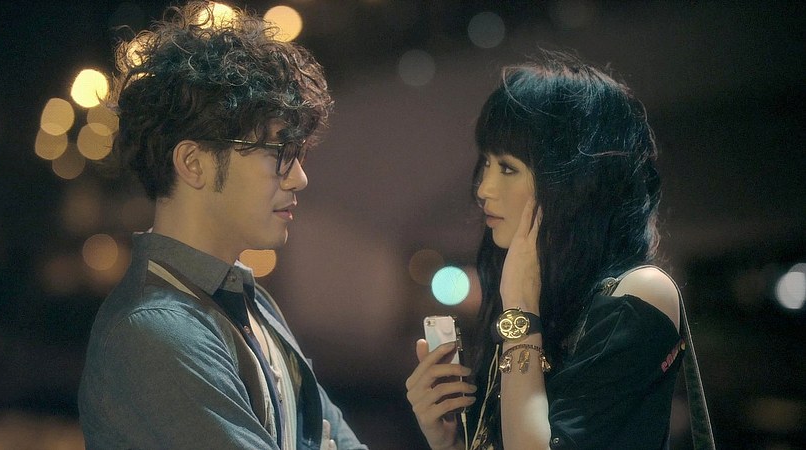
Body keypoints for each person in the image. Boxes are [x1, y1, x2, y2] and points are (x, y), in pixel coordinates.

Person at [78, 2, 366, 449]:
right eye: (278, 153)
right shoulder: (155, 330)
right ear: (194, 163)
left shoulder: (250, 301)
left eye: (299, 154)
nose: (299, 178)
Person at [405, 52, 686, 449]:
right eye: (486, 164)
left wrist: (520, 312)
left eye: (507, 168)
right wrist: (449, 443)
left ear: (573, 183)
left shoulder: (640, 292)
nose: (483, 189)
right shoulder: (541, 299)